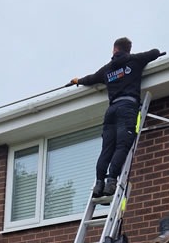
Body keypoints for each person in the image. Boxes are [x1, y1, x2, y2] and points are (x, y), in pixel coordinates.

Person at [69, 37, 162, 197]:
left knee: (106, 149)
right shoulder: (135, 60)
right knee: (122, 146)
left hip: (111, 110)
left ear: (114, 50)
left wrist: (78, 81)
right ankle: (111, 181)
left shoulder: (107, 69)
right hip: (127, 108)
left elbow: (90, 79)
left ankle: (99, 184)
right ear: (128, 49)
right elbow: (154, 52)